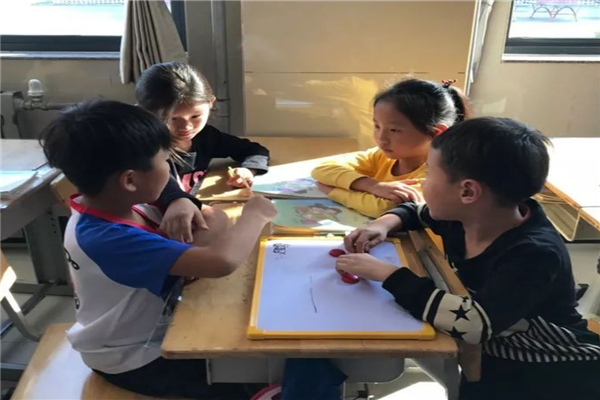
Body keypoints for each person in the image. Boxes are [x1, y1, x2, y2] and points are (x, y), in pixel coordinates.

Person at [338, 117, 600, 399]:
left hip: (555, 368)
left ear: (467, 191)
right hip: (497, 347)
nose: (422, 186)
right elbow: (416, 211)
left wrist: (388, 275)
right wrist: (381, 225)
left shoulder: (533, 254)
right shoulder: (470, 215)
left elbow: (474, 323)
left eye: (429, 176)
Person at [41, 99, 277, 399]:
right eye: (166, 162)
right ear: (130, 180)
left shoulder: (127, 203)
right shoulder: (107, 237)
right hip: (134, 358)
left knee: (252, 354)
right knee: (251, 377)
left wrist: (194, 252)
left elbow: (214, 218)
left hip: (156, 330)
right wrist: (254, 215)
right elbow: (222, 262)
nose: (170, 170)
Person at [136, 61, 271, 242]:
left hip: (190, 217)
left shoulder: (206, 137)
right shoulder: (143, 144)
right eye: (173, 119)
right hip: (152, 227)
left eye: (195, 116)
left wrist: (249, 170)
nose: (186, 126)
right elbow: (159, 180)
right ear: (146, 113)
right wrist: (177, 199)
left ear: (210, 103)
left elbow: (254, 149)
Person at [312, 78, 471, 218]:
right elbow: (323, 169)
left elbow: (385, 207)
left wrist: (332, 190)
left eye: (394, 130)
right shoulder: (381, 156)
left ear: (436, 133)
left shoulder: (439, 173)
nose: (381, 138)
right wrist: (372, 185)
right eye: (377, 126)